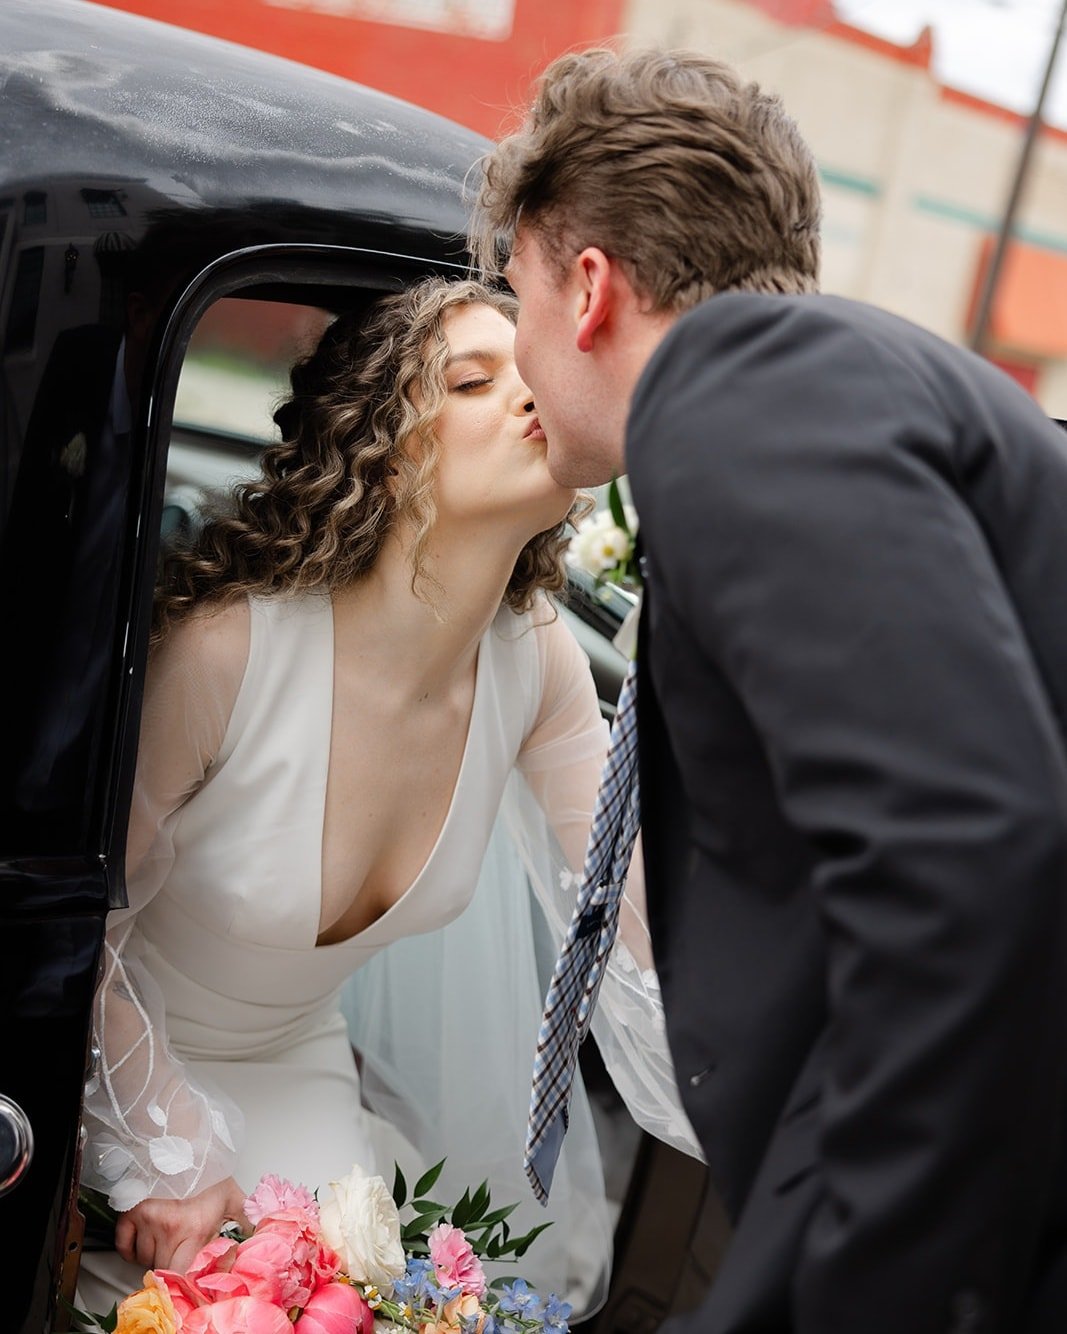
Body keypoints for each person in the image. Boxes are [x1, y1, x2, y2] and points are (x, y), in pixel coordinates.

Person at [471, 45, 1067, 1334]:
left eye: (508, 294)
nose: (513, 350)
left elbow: (961, 850)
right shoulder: (810, 389)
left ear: (586, 289)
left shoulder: (743, 395)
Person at [75, 275, 700, 1315]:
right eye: (470, 379)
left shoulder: (536, 659)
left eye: (535, 365)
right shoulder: (226, 650)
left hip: (299, 1064)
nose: (532, 393)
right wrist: (161, 1150)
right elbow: (72, 934)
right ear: (383, 443)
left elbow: (636, 917)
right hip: (125, 1062)